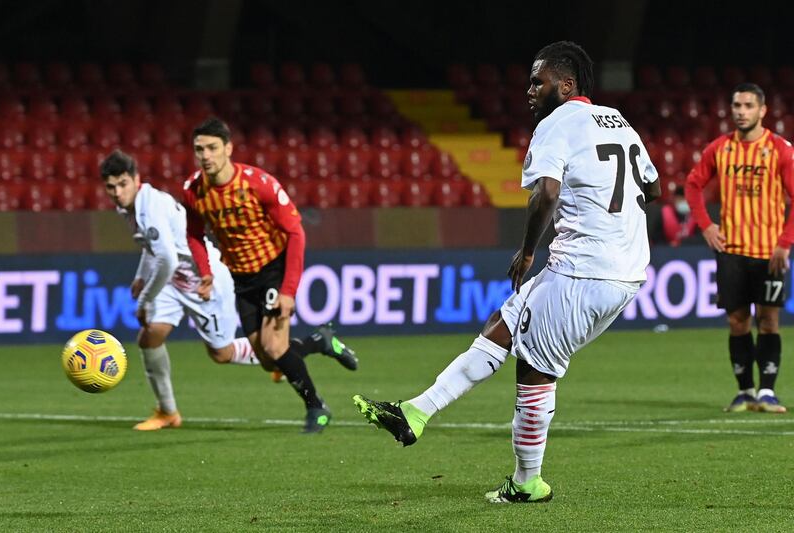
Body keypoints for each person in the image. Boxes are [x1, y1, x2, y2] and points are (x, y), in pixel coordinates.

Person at [354, 41, 661, 503]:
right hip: (620, 268)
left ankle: (526, 482)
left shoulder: (556, 124)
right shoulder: (617, 120)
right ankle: (416, 411)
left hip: (582, 271)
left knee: (536, 371)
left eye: (538, 81)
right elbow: (653, 187)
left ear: (567, 84)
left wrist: (526, 251)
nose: (529, 90)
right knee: (503, 325)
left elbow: (547, 193)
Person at [183, 117, 358, 434]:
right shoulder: (194, 191)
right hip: (241, 278)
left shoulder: (258, 183)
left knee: (275, 347)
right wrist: (205, 273)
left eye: (212, 148)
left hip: (272, 270)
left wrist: (289, 290)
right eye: (199, 149)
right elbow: (193, 235)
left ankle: (316, 406)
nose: (205, 155)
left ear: (228, 149)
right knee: (266, 359)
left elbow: (295, 233)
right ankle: (320, 342)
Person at [101, 149, 263, 431]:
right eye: (111, 187)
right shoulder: (130, 206)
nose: (117, 192)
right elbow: (153, 249)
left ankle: (278, 354)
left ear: (136, 179)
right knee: (150, 336)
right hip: (175, 280)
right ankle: (168, 412)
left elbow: (167, 258)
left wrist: (145, 301)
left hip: (204, 278)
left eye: (123, 184)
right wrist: (141, 276)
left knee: (221, 354)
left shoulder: (150, 207)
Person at [685, 83, 794, 414]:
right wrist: (706, 225)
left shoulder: (780, 150)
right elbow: (692, 185)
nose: (740, 111)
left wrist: (785, 244)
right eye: (736, 105)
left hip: (769, 252)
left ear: (762, 111)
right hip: (731, 251)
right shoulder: (720, 148)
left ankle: (768, 392)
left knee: (769, 321)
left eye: (748, 105)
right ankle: (745, 391)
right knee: (737, 321)